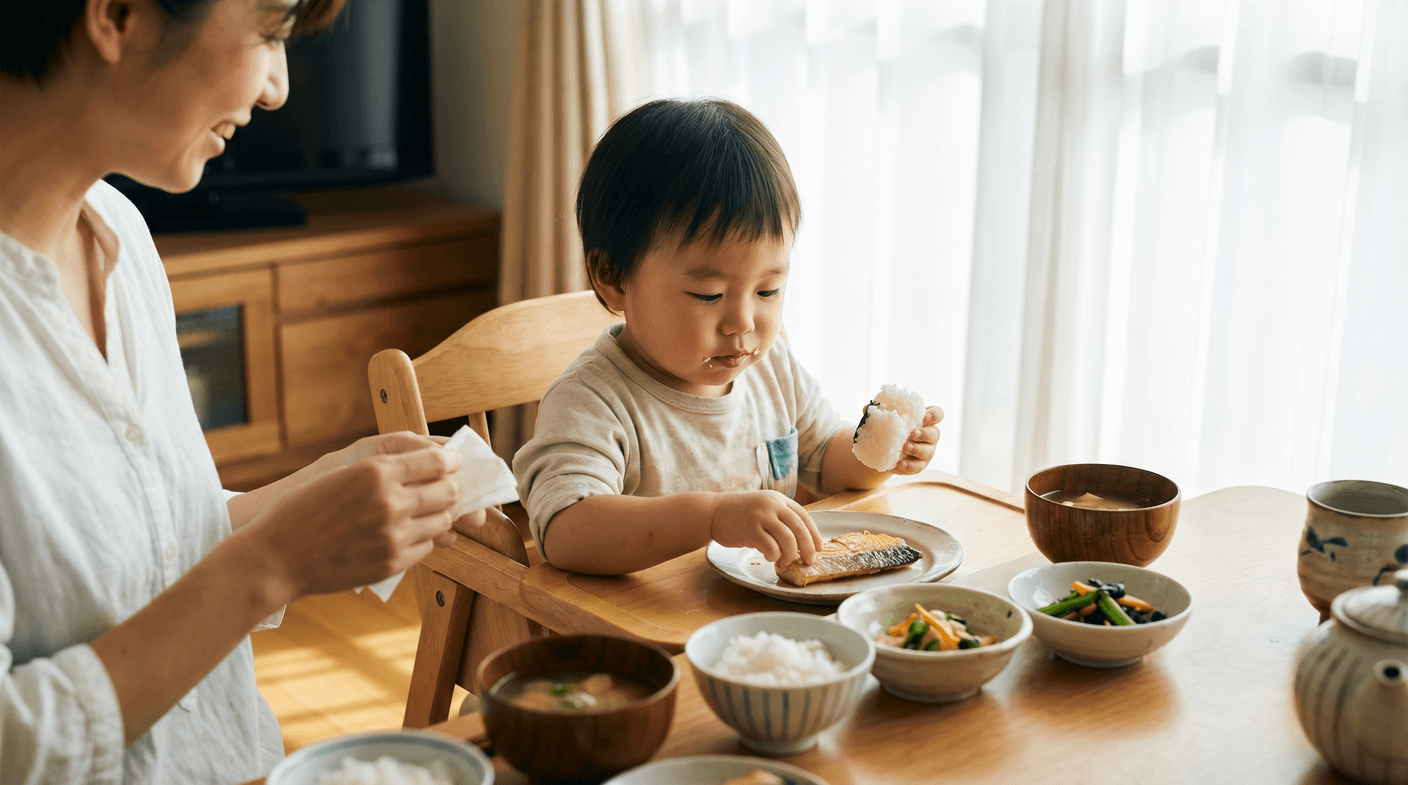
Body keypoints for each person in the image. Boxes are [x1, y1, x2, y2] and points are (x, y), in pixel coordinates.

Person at [0, 1, 487, 781]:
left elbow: (148, 553)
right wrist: (271, 563)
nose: (277, 88)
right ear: (119, 15)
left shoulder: (119, 233)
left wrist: (309, 501)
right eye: (269, 33)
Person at [513, 99, 944, 576]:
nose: (743, 322)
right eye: (709, 294)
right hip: (645, 621)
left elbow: (826, 458)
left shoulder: (772, 370)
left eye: (768, 290)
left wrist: (880, 453)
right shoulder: (591, 401)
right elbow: (566, 531)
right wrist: (712, 517)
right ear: (613, 277)